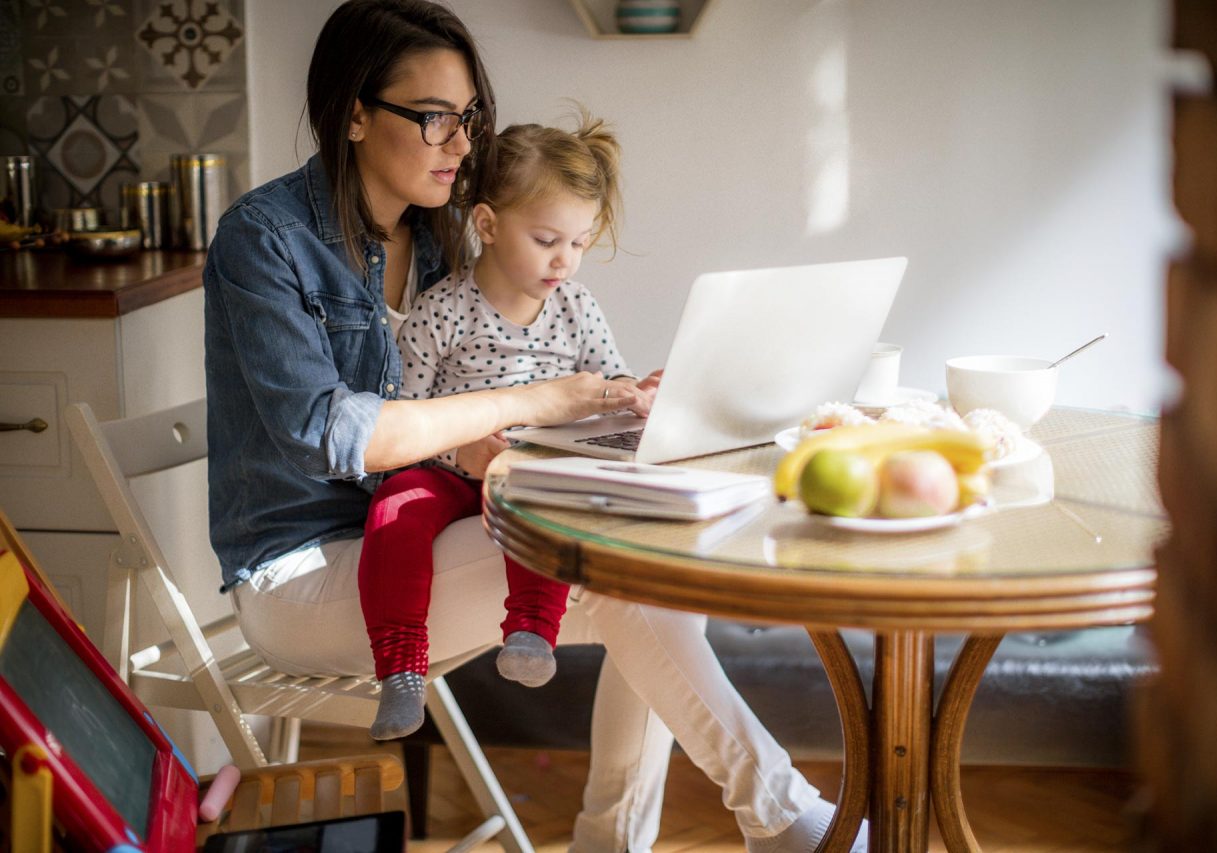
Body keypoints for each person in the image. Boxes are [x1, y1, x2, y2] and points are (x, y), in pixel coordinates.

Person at [202, 1, 866, 850]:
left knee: (649, 575)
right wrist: (538, 402)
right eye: (435, 116)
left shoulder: (445, 240)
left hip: (426, 532)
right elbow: (340, 435)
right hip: (304, 572)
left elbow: (459, 408)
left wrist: (612, 409)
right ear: (355, 114)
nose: (463, 144)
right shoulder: (266, 239)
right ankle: (787, 820)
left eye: (469, 117)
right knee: (617, 562)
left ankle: (650, 835)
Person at [360, 111, 662, 740]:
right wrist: (462, 456)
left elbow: (609, 384)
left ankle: (531, 630)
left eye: (579, 243)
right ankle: (401, 669)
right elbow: (403, 426)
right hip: (445, 471)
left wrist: (638, 394)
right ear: (489, 224)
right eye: (549, 240)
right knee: (393, 511)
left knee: (548, 506)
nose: (567, 262)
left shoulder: (576, 308)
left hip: (528, 472)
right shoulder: (441, 310)